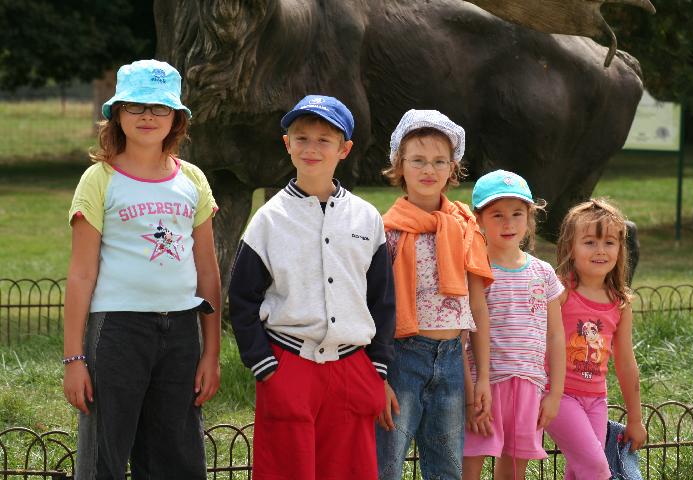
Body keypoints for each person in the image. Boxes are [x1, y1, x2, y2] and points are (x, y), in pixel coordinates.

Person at [63, 59, 222, 480]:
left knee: (177, 456)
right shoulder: (99, 179)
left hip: (182, 332)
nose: (148, 116)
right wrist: (74, 358)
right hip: (117, 332)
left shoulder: (193, 180)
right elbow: (81, 274)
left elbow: (208, 273)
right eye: (135, 105)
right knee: (106, 456)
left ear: (177, 118)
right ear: (117, 113)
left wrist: (211, 354)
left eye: (159, 107)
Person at [228, 94, 395, 480]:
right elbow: (242, 298)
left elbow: (382, 299)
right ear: (287, 144)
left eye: (324, 140)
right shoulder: (269, 219)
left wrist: (377, 367)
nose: (311, 148)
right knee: (288, 470)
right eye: (301, 138)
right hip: (289, 364)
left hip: (352, 366)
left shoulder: (367, 218)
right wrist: (264, 365)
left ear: (344, 149)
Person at [376, 109, 494, 480]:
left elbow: (477, 307)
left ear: (452, 168)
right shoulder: (386, 232)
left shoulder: (465, 227)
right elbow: (374, 308)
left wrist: (482, 377)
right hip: (401, 359)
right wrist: (378, 378)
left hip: (452, 359)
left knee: (447, 468)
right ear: (400, 165)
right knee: (386, 465)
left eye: (439, 161)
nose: (429, 169)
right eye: (418, 160)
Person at [463, 169, 565, 480]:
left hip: (530, 385)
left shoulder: (543, 272)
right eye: (497, 215)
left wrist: (555, 394)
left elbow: (555, 335)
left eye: (517, 214)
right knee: (471, 461)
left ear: (529, 217)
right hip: (485, 385)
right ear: (479, 219)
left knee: (515, 468)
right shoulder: (474, 270)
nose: (508, 223)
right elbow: (462, 334)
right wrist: (470, 392)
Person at [545, 198, 647, 479]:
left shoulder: (620, 302)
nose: (600, 250)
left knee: (579, 472)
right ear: (570, 247)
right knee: (596, 469)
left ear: (620, 248)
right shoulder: (559, 292)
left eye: (609, 243)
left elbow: (626, 363)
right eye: (590, 242)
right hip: (558, 395)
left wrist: (635, 419)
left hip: (596, 400)